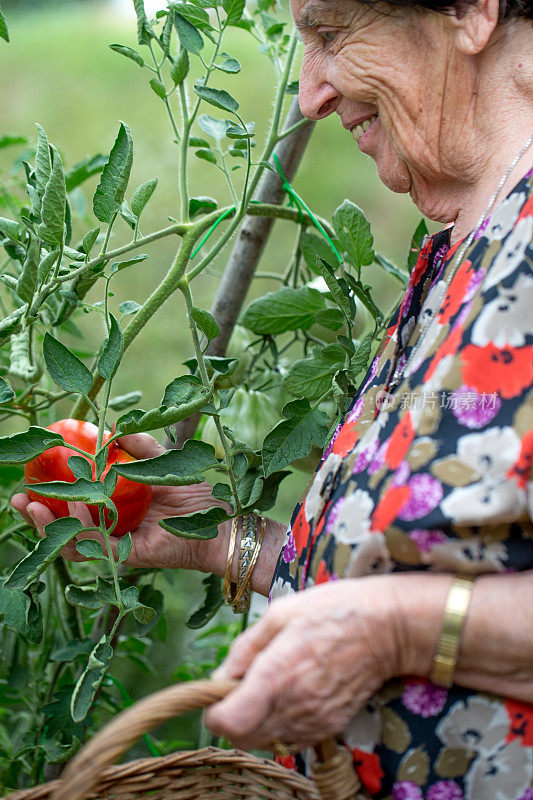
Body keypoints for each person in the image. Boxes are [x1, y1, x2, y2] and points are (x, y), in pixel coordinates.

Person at [12, 0, 533, 795]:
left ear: (470, 12)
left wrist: (395, 632)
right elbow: (426, 554)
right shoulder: (467, 244)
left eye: (329, 33)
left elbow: (401, 610)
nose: (308, 94)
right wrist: (217, 540)